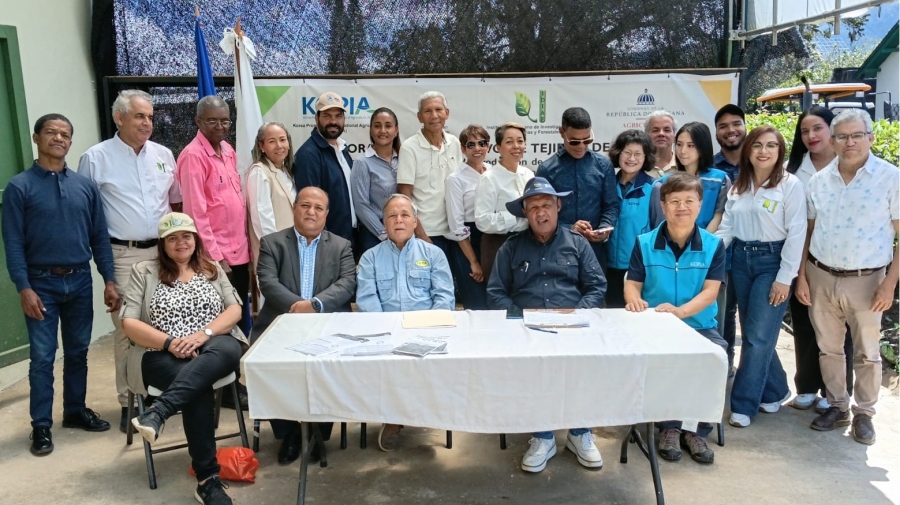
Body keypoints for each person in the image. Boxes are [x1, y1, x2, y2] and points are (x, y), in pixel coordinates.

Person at [2, 114, 119, 456]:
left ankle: (74, 410)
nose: (58, 138)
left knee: (78, 351)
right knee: (42, 357)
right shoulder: (19, 187)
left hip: (80, 281)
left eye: (65, 134)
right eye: (51, 132)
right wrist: (23, 287)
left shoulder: (85, 187)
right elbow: (13, 244)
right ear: (36, 138)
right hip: (40, 284)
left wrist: (109, 280)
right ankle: (41, 425)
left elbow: (99, 238)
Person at [125, 213, 247, 505]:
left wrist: (204, 335)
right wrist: (169, 343)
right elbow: (128, 323)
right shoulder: (144, 271)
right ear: (162, 244)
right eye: (172, 238)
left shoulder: (211, 267)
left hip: (212, 345)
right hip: (160, 353)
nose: (181, 243)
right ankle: (208, 481)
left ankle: (159, 411)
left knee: (228, 348)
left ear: (195, 239)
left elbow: (235, 310)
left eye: (186, 236)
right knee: (197, 387)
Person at [78, 89, 182, 431]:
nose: (147, 123)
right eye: (139, 116)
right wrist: (106, 273)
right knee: (128, 329)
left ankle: (160, 397)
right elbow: (87, 216)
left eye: (150, 116)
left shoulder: (164, 154)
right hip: (123, 255)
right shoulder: (96, 158)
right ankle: (129, 401)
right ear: (119, 118)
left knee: (164, 324)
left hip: (163, 253)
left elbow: (175, 203)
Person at [486, 177, 606, 473]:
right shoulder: (511, 247)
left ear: (558, 206)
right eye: (534, 207)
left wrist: (576, 315)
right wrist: (521, 318)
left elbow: (596, 287)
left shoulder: (577, 243)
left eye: (546, 205)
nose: (541, 212)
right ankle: (543, 436)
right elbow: (496, 292)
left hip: (572, 325)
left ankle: (580, 433)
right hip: (527, 327)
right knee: (535, 370)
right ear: (525, 213)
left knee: (582, 368)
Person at [798, 109, 899, 445]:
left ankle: (864, 413)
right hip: (821, 273)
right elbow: (808, 231)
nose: (849, 142)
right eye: (842, 136)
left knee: (868, 352)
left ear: (871, 137)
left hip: (868, 279)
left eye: (857, 135)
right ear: (833, 140)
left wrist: (889, 283)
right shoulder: (819, 181)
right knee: (828, 348)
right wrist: (802, 276)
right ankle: (838, 405)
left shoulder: (890, 178)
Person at [623, 172, 727, 464]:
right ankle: (669, 427)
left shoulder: (713, 245)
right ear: (663, 205)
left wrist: (680, 313)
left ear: (700, 204)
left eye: (689, 201)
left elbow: (711, 292)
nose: (682, 207)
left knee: (715, 356)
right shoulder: (644, 242)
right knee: (663, 359)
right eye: (675, 201)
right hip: (657, 325)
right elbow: (632, 283)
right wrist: (633, 299)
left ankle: (695, 429)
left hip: (699, 325)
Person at [251, 186, 356, 464]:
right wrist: (299, 307)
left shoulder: (341, 245)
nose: (311, 212)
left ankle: (318, 434)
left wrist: (315, 305)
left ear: (326, 214)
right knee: (271, 368)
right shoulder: (272, 243)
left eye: (318, 208)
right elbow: (267, 282)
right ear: (294, 208)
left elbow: (347, 283)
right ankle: (290, 433)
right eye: (305, 206)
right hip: (280, 324)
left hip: (327, 324)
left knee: (332, 368)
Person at [715, 126, 806, 428]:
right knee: (756, 332)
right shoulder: (739, 186)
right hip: (742, 260)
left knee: (756, 337)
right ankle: (776, 389)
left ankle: (743, 404)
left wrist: (785, 277)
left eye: (771, 145)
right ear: (748, 151)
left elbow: (797, 233)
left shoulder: (790, 185)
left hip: (773, 262)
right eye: (757, 145)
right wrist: (702, 254)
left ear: (780, 151)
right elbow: (727, 229)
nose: (763, 151)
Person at [356, 194, 455, 451]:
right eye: (392, 215)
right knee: (388, 361)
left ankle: (407, 412)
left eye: (404, 215)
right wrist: (389, 334)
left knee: (427, 360)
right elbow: (367, 301)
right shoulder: (370, 258)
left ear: (415, 221)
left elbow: (444, 298)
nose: (398, 220)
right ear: (384, 222)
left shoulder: (434, 254)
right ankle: (396, 416)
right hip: (385, 334)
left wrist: (425, 333)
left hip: (427, 332)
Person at [785, 106, 854, 413]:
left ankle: (835, 391)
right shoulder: (793, 169)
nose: (811, 136)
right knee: (804, 323)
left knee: (839, 330)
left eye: (817, 128)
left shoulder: (850, 164)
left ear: (831, 130)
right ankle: (806, 386)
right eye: (804, 131)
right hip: (802, 258)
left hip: (842, 261)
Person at [177, 95, 251, 335]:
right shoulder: (193, 156)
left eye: (225, 121)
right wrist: (214, 258)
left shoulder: (228, 150)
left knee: (240, 314)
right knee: (220, 323)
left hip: (239, 254)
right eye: (212, 121)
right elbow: (195, 213)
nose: (220, 126)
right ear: (198, 121)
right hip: (216, 258)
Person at [536, 107, 619, 269]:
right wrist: (569, 229)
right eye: (574, 141)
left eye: (587, 140)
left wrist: (604, 229)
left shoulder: (603, 165)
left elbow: (611, 205)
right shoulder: (546, 170)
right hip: (558, 252)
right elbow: (541, 214)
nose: (581, 146)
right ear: (562, 132)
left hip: (595, 253)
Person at [396, 91, 463, 257]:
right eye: (427, 111)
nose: (434, 116)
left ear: (447, 113)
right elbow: (405, 196)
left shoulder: (454, 143)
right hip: (428, 233)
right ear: (419, 117)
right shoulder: (409, 147)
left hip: (456, 231)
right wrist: (421, 234)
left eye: (438, 109)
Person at [712, 104, 747, 376]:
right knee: (723, 313)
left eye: (736, 124)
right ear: (716, 133)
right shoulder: (711, 168)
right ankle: (725, 366)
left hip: (754, 255)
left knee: (753, 322)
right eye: (723, 126)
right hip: (720, 254)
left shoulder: (759, 161)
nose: (730, 130)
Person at [293, 91, 355, 244]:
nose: (333, 121)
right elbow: (310, 207)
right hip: (329, 243)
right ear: (317, 118)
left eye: (338, 116)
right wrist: (325, 245)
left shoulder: (342, 149)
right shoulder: (308, 155)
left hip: (350, 238)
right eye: (327, 116)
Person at [474, 122, 534, 280]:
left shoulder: (528, 174)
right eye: (509, 142)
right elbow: (482, 220)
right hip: (499, 245)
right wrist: (517, 216)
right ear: (498, 148)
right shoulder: (489, 178)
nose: (516, 146)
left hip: (528, 243)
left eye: (520, 141)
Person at [604, 130, 656, 307]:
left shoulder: (654, 188)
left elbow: (659, 229)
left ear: (646, 157)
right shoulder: (606, 184)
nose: (631, 158)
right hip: (607, 266)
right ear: (618, 153)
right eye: (627, 152)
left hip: (638, 269)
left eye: (638, 154)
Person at [649, 122, 730, 233]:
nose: (683, 151)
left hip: (709, 240)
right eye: (679, 144)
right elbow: (660, 220)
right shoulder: (664, 182)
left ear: (703, 147)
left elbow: (719, 216)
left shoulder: (720, 179)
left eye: (690, 145)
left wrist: (702, 241)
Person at [444, 124, 490, 309]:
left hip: (491, 241)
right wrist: (473, 261)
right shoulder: (455, 179)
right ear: (463, 149)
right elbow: (456, 225)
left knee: (496, 304)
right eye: (471, 145)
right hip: (467, 244)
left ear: (488, 146)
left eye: (482, 143)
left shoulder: (494, 172)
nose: (477, 148)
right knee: (477, 304)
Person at [246, 122, 297, 267]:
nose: (279, 146)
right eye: (272, 141)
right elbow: (262, 220)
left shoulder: (285, 171)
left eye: (282, 140)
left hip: (291, 251)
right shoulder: (259, 172)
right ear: (261, 146)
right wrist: (276, 251)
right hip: (276, 255)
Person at [351, 107, 401, 254]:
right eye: (377, 126)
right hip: (375, 234)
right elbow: (361, 205)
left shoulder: (405, 159)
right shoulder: (362, 163)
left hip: (402, 229)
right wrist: (385, 234)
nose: (383, 130)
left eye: (388, 126)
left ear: (396, 130)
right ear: (371, 130)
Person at [644, 110, 678, 179]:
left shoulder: (684, 165)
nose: (661, 134)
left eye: (667, 130)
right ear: (646, 136)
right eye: (655, 130)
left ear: (674, 137)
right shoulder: (638, 165)